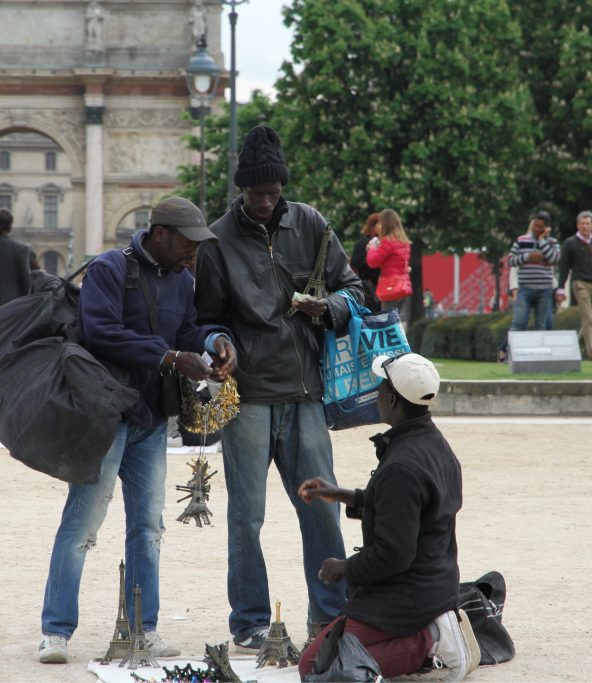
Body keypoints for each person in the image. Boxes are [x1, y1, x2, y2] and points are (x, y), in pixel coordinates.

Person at [38, 197, 236, 664]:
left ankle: (143, 629)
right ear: (161, 233)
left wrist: (213, 341)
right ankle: (55, 630)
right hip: (106, 416)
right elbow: (101, 331)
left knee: (147, 528)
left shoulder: (183, 278)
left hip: (149, 418)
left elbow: (188, 330)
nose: (194, 254)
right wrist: (169, 357)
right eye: (189, 243)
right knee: (83, 524)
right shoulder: (110, 268)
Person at [194, 124, 363, 651]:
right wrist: (219, 339)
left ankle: (329, 614)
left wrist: (329, 306)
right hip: (246, 395)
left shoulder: (310, 222)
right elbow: (206, 317)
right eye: (255, 193)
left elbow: (353, 288)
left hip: (306, 390)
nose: (265, 202)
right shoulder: (217, 239)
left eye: (272, 193)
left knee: (321, 507)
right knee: (246, 514)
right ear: (241, 189)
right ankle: (249, 621)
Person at [297, 353, 479, 681]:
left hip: (407, 595)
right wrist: (344, 495)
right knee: (332, 656)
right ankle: (429, 633)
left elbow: (393, 555)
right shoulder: (434, 444)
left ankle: (431, 641)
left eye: (381, 387)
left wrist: (343, 568)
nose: (377, 393)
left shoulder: (401, 467)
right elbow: (410, 510)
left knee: (316, 667)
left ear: (393, 400)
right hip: (435, 583)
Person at [556, 211, 592, 362]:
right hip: (580, 283)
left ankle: (574, 348)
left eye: (587, 224)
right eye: (582, 223)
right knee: (588, 318)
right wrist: (560, 288)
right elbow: (564, 267)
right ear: (577, 225)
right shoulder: (570, 243)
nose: (584, 226)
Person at [505, 210, 560, 333]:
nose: (536, 229)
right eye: (535, 225)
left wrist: (542, 240)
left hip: (544, 290)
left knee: (542, 325)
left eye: (540, 227)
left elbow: (554, 258)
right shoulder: (521, 240)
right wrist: (527, 257)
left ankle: (540, 351)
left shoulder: (553, 242)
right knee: (519, 323)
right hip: (525, 289)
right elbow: (510, 261)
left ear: (547, 228)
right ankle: (510, 350)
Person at [366, 208, 413, 323]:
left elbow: (373, 262)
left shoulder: (388, 241)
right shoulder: (404, 242)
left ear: (386, 223)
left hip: (390, 287)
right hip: (404, 286)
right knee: (400, 322)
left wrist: (372, 248)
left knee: (388, 322)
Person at [349, 212, 382, 313]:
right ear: (373, 226)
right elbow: (354, 263)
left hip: (379, 287)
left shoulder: (383, 241)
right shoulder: (364, 242)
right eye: (380, 224)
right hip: (368, 287)